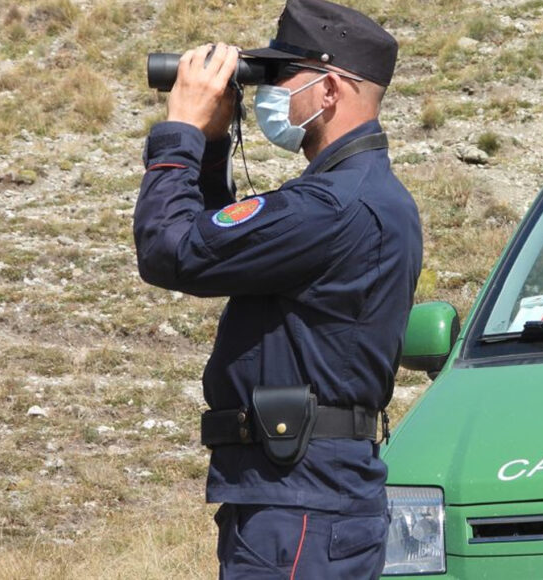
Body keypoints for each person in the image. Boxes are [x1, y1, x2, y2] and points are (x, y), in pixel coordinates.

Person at [132, 0, 422, 577]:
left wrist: (182, 131)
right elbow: (218, 254)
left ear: (331, 89)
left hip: (298, 503)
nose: (269, 91)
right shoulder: (364, 196)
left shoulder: (328, 207)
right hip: (307, 493)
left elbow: (170, 252)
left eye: (282, 76)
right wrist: (216, 148)